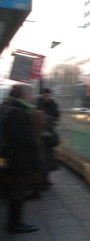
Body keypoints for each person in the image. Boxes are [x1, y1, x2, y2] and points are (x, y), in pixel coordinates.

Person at [3, 84, 41, 233]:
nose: (32, 98)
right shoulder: (17, 113)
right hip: (20, 159)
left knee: (18, 191)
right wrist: (34, 139)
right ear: (23, 96)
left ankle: (16, 222)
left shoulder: (14, 110)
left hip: (17, 158)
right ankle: (15, 224)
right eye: (29, 95)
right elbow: (21, 137)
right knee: (18, 191)